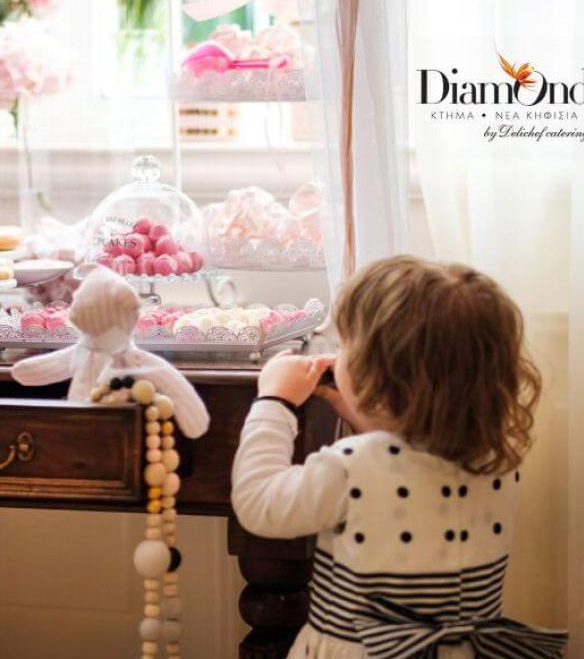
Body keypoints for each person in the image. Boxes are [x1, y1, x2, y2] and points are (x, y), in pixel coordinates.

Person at [232, 255, 567, 658]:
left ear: (380, 373)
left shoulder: (353, 467)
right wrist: (365, 419)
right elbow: (410, 484)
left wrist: (274, 401)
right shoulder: (497, 459)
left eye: (346, 344)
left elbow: (259, 505)